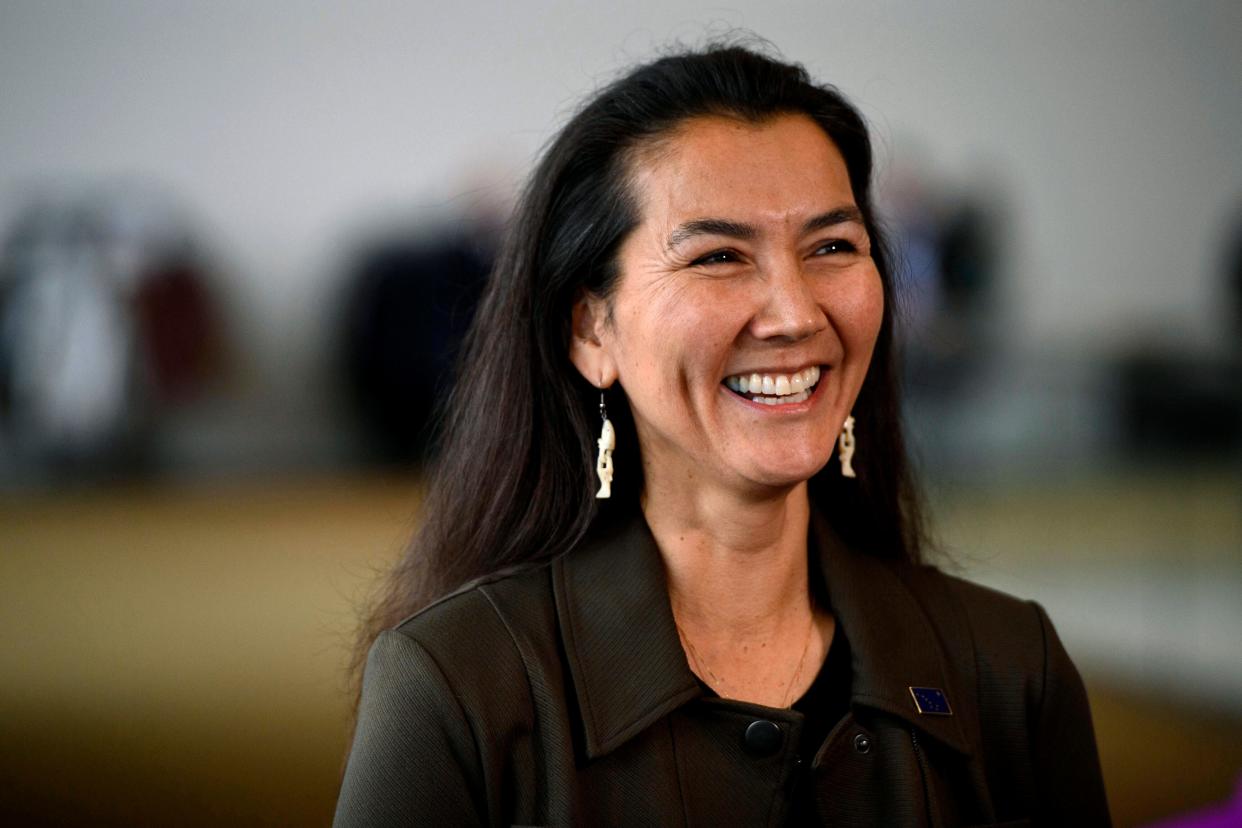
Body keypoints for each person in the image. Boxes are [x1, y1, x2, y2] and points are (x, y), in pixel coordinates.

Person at [334, 43, 1111, 826]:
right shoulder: (459, 687)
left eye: (832, 246)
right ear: (590, 329)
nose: (796, 313)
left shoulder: (1011, 670)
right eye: (719, 256)